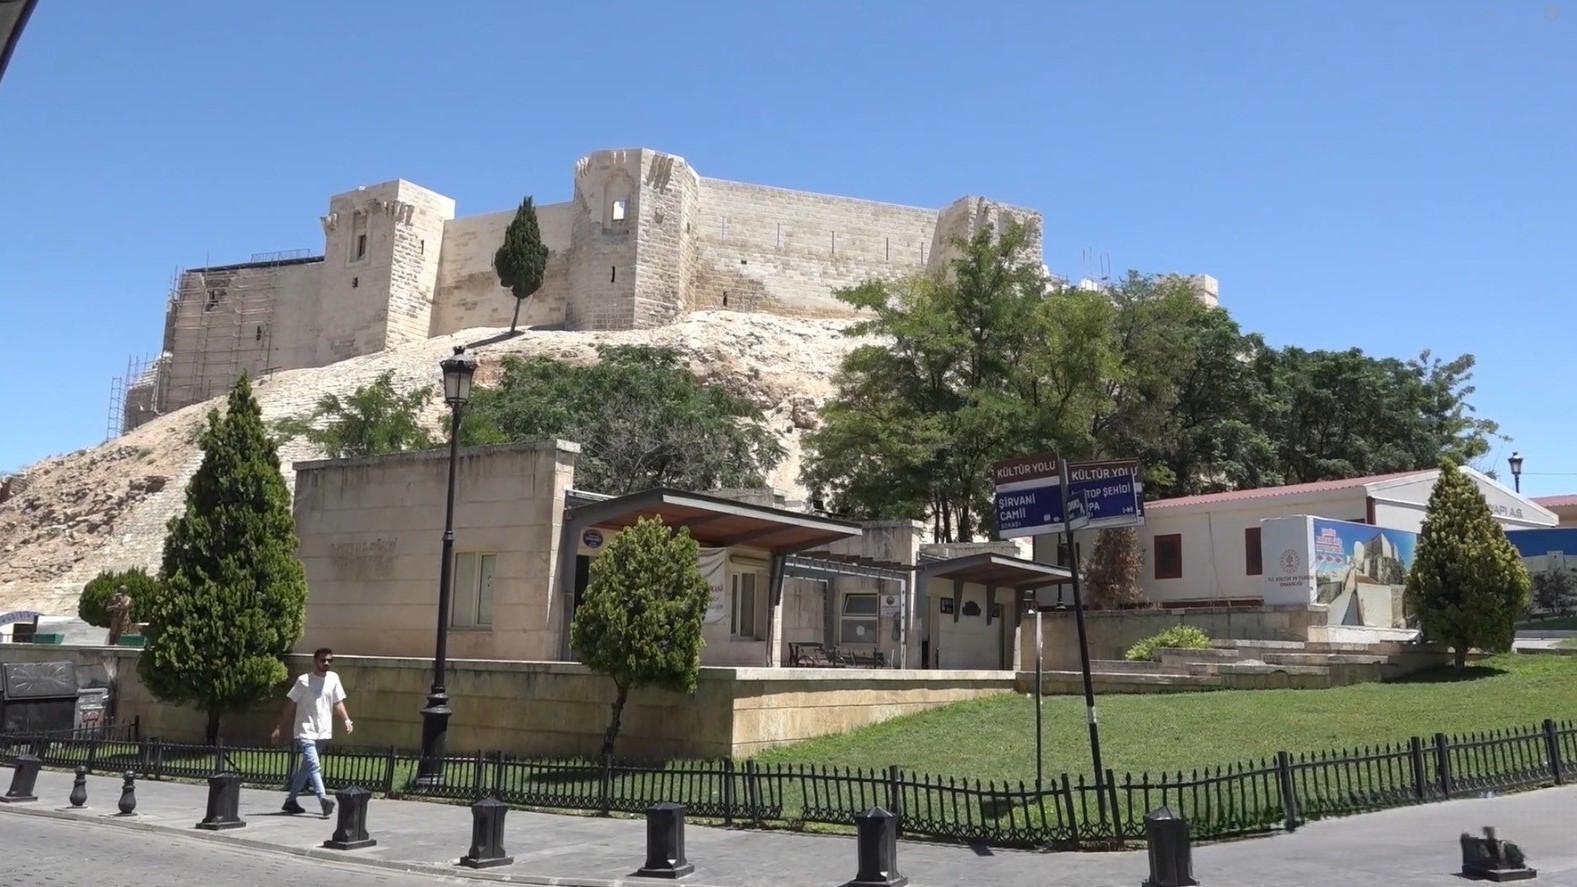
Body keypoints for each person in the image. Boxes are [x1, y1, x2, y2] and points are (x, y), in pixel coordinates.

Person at [271, 647, 352, 816]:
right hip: (305, 731)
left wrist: (346, 719)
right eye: (323, 660)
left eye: (329, 660)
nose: (326, 663)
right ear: (315, 661)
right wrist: (279, 727)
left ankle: (291, 801)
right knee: (314, 765)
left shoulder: (333, 679)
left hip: (323, 731)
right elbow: (290, 705)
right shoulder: (303, 681)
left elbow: (338, 702)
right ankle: (323, 800)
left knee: (306, 769)